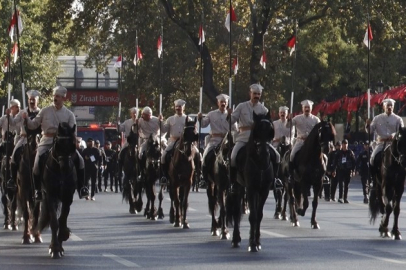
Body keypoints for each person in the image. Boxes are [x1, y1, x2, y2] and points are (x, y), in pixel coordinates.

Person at [23, 86, 88, 201]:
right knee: (37, 164)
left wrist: (74, 142)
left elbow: (74, 132)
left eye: (57, 96)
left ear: (63, 98)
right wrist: (26, 119)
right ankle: (38, 190)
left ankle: (82, 187)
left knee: (81, 160)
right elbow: (33, 125)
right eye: (54, 96)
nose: (55, 98)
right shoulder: (45, 111)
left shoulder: (69, 114)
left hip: (63, 144)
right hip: (47, 141)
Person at [228, 84, 280, 191]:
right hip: (244, 137)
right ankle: (232, 183)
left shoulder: (264, 109)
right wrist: (229, 115)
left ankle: (274, 180)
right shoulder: (241, 106)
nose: (256, 96)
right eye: (254, 93)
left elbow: (269, 127)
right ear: (250, 94)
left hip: (259, 139)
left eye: (258, 94)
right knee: (233, 157)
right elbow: (231, 121)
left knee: (277, 156)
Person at [198, 94, 237, 183]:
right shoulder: (211, 114)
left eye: (225, 102)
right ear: (218, 103)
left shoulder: (231, 115)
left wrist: (232, 116)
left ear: (227, 104)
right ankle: (204, 177)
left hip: (227, 141)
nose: (223, 104)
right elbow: (203, 124)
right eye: (221, 102)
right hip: (214, 141)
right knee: (205, 156)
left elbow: (235, 129)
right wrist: (200, 118)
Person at [160, 99, 200, 182]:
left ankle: (198, 174)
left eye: (180, 107)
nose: (178, 109)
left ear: (183, 108)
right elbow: (164, 130)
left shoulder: (188, 119)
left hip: (186, 142)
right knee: (163, 156)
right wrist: (160, 122)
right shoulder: (170, 119)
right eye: (177, 107)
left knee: (199, 155)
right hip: (173, 141)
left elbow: (194, 131)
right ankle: (164, 175)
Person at [8, 91, 41, 188]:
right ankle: (13, 179)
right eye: (30, 99)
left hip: (38, 138)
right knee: (14, 155)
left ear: (37, 101)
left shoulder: (41, 112)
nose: (31, 101)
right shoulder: (22, 112)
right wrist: (9, 115)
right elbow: (13, 123)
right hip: (24, 138)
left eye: (33, 99)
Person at [286, 100, 321, 180]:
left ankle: (323, 173)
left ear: (311, 108)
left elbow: (320, 130)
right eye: (305, 107)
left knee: (322, 155)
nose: (307, 109)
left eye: (308, 107)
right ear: (302, 108)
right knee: (292, 155)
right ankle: (291, 174)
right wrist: (289, 119)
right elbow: (288, 126)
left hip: (312, 143)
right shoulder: (297, 118)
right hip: (300, 141)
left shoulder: (316, 119)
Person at [366, 99, 404, 171]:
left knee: (403, 159)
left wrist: (394, 135)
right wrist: (367, 125)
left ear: (393, 107)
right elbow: (370, 131)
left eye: (391, 106)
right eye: (387, 105)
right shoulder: (377, 118)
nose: (389, 107)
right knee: (372, 159)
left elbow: (401, 132)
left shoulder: (398, 119)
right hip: (381, 144)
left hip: (394, 144)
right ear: (384, 107)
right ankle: (373, 177)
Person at [117, 107, 138, 182]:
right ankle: (119, 171)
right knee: (121, 153)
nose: (135, 114)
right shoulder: (127, 122)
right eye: (133, 113)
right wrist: (118, 123)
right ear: (131, 114)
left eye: (136, 113)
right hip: (129, 141)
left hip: (138, 141)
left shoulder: (141, 121)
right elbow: (120, 129)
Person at [331, 139, 356, 203]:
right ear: (342, 145)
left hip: (348, 170)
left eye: (346, 144)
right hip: (340, 170)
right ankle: (340, 197)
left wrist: (353, 171)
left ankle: (345, 198)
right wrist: (334, 170)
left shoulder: (350, 152)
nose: (345, 145)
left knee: (346, 185)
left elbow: (354, 162)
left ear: (347, 144)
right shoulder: (339, 153)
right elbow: (335, 162)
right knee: (341, 184)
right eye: (344, 144)